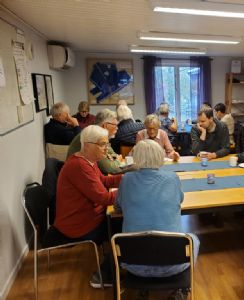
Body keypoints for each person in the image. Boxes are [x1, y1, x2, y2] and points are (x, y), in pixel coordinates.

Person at [115, 139, 200, 298]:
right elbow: (179, 200)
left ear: (136, 157)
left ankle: (143, 287)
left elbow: (118, 207)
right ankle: (182, 289)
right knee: (194, 239)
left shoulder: (126, 179)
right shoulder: (172, 178)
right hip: (173, 264)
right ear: (160, 156)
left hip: (133, 264)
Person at [53, 125, 122, 288]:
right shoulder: (79, 166)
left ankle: (118, 266)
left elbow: (104, 181)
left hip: (89, 216)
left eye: (107, 143)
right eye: (103, 144)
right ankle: (105, 275)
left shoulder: (88, 160)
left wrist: (127, 178)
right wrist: (131, 189)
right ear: (87, 145)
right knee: (124, 227)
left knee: (124, 222)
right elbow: (104, 197)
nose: (107, 148)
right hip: (79, 224)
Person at [68, 109, 124, 174]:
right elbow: (108, 168)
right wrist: (117, 161)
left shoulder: (98, 134)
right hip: (79, 176)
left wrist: (114, 158)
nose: (117, 128)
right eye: (115, 125)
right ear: (105, 125)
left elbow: (113, 154)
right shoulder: (94, 135)